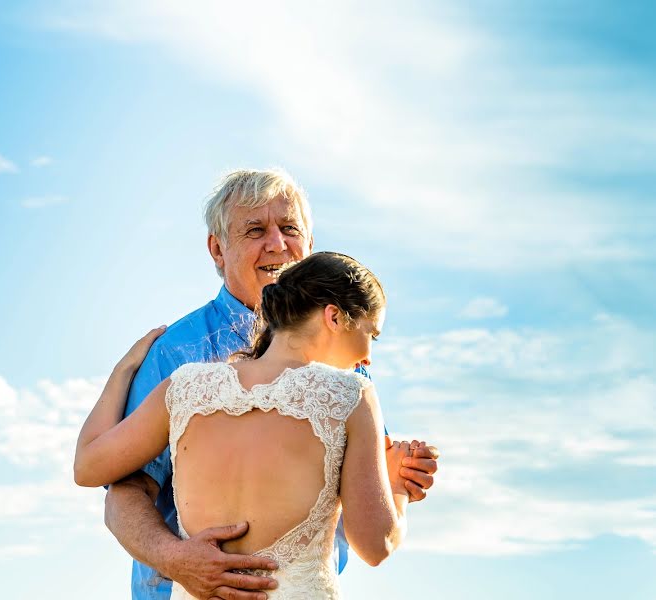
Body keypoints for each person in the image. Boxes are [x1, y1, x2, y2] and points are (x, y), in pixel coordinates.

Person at [103, 169, 439, 599]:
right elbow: (123, 489)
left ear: (310, 246)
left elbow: (362, 499)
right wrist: (173, 558)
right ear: (217, 249)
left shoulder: (348, 361)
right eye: (255, 230)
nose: (278, 245)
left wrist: (400, 474)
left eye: (290, 229)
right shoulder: (175, 353)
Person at [76, 252, 413, 598]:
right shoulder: (350, 395)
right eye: (371, 333)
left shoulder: (185, 388)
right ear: (334, 317)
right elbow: (376, 545)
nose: (368, 356)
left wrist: (122, 373)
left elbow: (87, 467)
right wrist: (397, 485)